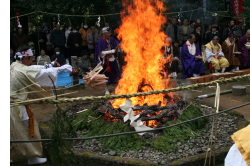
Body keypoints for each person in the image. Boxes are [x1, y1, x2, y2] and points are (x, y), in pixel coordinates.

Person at [10, 45, 73, 165]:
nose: (31, 61)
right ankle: (33, 157)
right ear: (25, 58)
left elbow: (34, 68)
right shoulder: (23, 70)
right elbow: (41, 74)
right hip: (17, 107)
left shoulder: (13, 66)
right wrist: (61, 69)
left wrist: (50, 65)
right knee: (28, 130)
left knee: (9, 131)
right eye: (31, 58)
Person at [95, 27, 121, 94]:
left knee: (116, 74)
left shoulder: (112, 39)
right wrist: (111, 51)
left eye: (110, 33)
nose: (109, 34)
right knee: (105, 76)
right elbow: (100, 53)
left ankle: (117, 88)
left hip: (113, 59)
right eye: (107, 33)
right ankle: (106, 90)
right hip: (105, 61)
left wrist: (119, 48)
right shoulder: (100, 41)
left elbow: (118, 45)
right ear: (103, 33)